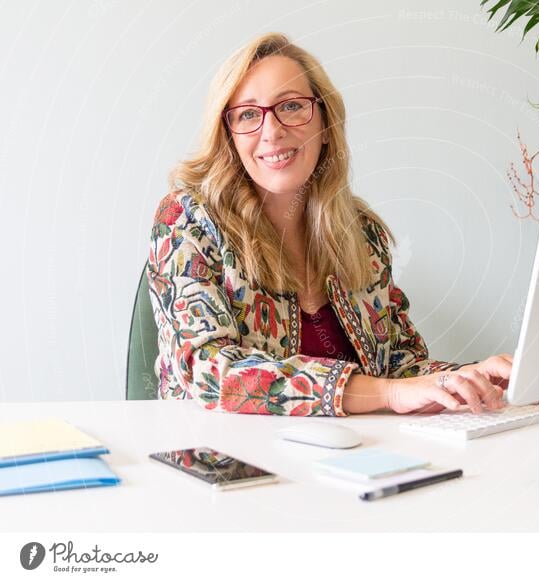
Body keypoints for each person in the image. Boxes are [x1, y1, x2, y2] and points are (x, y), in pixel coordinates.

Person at [147, 32, 513, 417]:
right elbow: (209, 371)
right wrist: (384, 394)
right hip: (225, 461)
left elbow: (401, 371)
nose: (271, 131)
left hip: (353, 458)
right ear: (229, 137)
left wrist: (467, 377)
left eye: (290, 106)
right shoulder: (188, 222)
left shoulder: (360, 231)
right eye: (248, 114)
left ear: (324, 121)